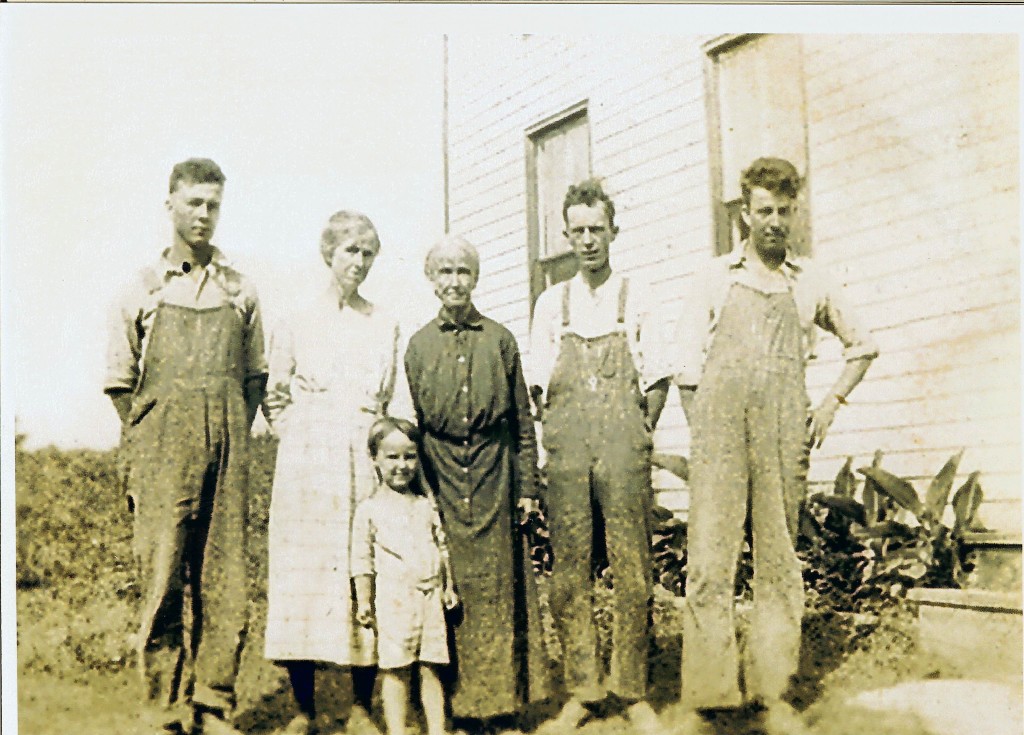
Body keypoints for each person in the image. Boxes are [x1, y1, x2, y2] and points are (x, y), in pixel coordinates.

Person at [671, 157, 879, 735]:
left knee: (780, 561)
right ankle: (709, 696)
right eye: (764, 211)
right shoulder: (715, 277)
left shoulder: (809, 279)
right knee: (710, 561)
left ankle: (772, 691)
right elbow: (686, 368)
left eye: (785, 212)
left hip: (785, 429)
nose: (775, 222)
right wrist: (707, 433)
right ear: (745, 213)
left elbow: (862, 345)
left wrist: (830, 403)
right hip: (719, 428)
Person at [104, 158, 267, 735]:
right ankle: (163, 710)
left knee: (224, 583)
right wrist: (157, 435)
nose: (203, 214)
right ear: (170, 203)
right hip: (160, 453)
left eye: (213, 204)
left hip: (228, 448)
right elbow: (121, 383)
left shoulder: (239, 289)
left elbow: (255, 378)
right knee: (163, 579)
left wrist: (223, 427)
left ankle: (213, 703)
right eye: (194, 202)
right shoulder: (142, 287)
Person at [527, 178, 670, 735]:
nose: (588, 240)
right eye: (577, 230)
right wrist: (564, 436)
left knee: (633, 569)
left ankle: (632, 689)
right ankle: (583, 690)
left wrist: (634, 434)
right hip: (566, 448)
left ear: (613, 232)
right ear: (565, 236)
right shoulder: (551, 303)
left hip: (622, 443)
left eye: (597, 229)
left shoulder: (638, 294)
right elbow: (539, 388)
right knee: (569, 574)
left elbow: (656, 378)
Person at [262, 211, 405, 735]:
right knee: (304, 579)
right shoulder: (297, 320)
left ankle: (360, 706)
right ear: (329, 254)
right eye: (350, 252)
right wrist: (303, 439)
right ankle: (304, 708)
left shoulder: (383, 322)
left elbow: (390, 399)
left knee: (360, 571)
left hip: (361, 461)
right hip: (307, 468)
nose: (359, 263)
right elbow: (274, 398)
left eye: (368, 253)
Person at [403, 235, 542, 730]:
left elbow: (523, 423)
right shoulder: (418, 346)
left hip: (495, 479)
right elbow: (413, 427)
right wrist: (422, 497)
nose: (454, 281)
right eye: (445, 272)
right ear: (431, 279)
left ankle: (500, 706)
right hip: (443, 480)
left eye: (463, 271)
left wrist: (527, 487)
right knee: (450, 593)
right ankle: (457, 708)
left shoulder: (500, 340)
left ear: (475, 278)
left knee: (498, 594)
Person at [352, 417, 460, 735]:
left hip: (429, 598)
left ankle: (437, 730)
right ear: (375, 459)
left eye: (409, 456)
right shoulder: (369, 510)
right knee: (395, 670)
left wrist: (448, 586)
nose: (402, 465)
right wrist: (364, 600)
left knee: (431, 668)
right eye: (392, 457)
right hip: (393, 601)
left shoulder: (425, 505)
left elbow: (442, 548)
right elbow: (361, 561)